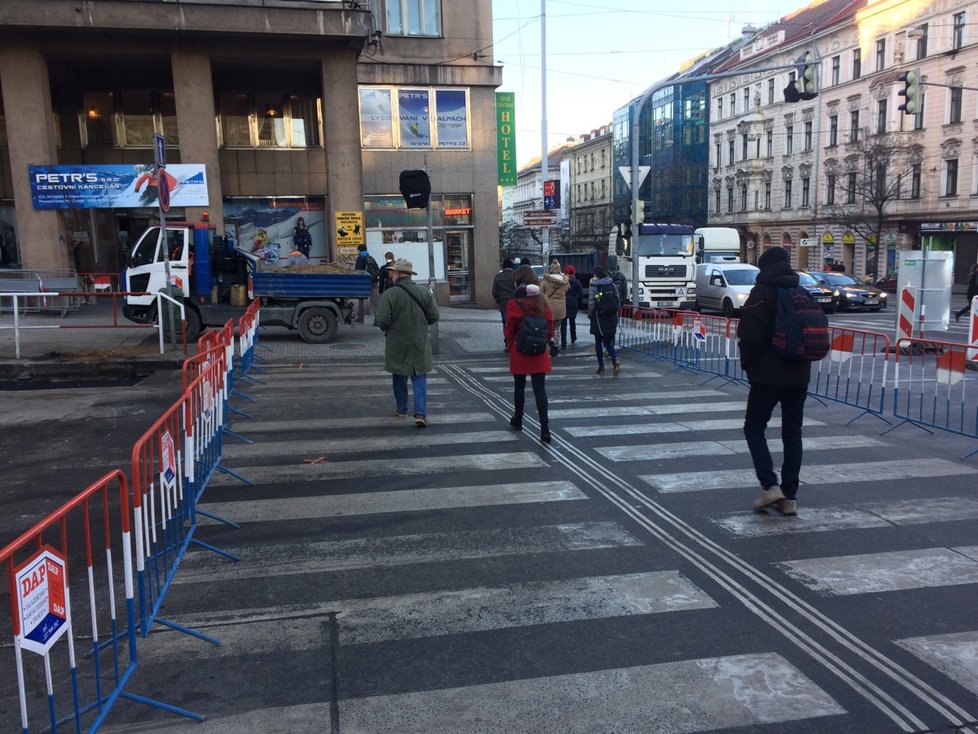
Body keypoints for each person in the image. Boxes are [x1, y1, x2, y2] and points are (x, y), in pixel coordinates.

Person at [736, 245, 811, 517]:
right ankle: (790, 497)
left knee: (754, 427)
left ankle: (769, 486)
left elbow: (749, 336)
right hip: (799, 374)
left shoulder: (761, 294)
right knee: (793, 433)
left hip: (767, 375)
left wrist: (749, 366)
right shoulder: (801, 291)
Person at [375, 258, 439, 428]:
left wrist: (390, 327)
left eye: (393, 272)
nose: (391, 275)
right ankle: (420, 413)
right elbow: (434, 316)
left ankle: (402, 409)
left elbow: (382, 320)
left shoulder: (390, 294)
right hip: (419, 340)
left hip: (397, 341)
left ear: (398, 274)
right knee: (419, 377)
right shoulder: (424, 292)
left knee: (399, 375)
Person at [504, 267, 553, 443]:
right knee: (540, 390)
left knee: (519, 387)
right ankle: (545, 429)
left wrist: (510, 345)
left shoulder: (514, 303)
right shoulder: (543, 301)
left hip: (520, 350)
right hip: (539, 351)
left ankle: (518, 419)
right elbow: (549, 324)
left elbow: (509, 328)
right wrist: (545, 342)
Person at [588, 265, 621, 376]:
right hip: (611, 317)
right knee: (608, 341)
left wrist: (590, 314)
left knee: (598, 342)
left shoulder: (594, 286)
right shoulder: (612, 284)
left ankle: (601, 367)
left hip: (599, 318)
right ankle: (614, 361)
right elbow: (618, 300)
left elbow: (592, 302)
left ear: (596, 274)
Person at [540, 259, 569, 357]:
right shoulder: (564, 281)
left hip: (549, 307)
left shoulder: (545, 280)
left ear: (551, 269)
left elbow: (540, 293)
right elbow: (567, 289)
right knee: (557, 328)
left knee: (548, 327)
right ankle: (556, 346)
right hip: (561, 308)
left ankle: (550, 341)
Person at [492, 259, 517, 349]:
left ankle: (507, 341)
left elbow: (494, 292)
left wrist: (498, 299)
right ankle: (514, 341)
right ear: (512, 266)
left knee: (506, 323)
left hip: (503, 303)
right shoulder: (516, 276)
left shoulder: (498, 277)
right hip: (515, 303)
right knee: (515, 322)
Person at [354, 243, 381, 321]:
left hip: (364, 282)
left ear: (359, 250)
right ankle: (377, 319)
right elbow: (377, 269)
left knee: (361, 299)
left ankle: (360, 318)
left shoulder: (360, 258)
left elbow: (358, 271)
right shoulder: (371, 257)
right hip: (374, 281)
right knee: (376, 301)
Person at [561, 264, 583, 349]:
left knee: (563, 323)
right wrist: (577, 302)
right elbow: (581, 294)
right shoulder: (577, 282)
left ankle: (563, 342)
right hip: (573, 304)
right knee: (572, 322)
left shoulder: (563, 282)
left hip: (564, 303)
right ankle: (573, 338)